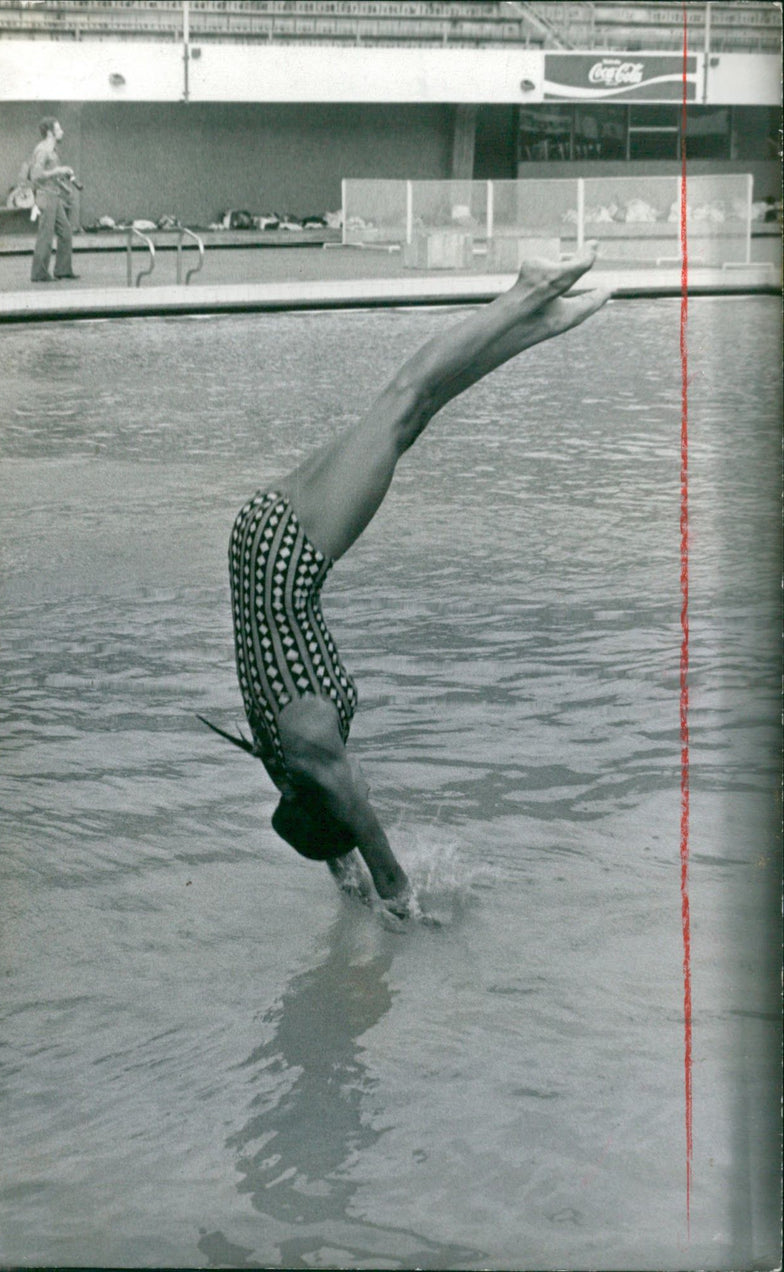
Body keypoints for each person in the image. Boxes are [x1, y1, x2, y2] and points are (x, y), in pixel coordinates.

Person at [201, 248, 610, 921]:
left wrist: (398, 900)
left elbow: (372, 847)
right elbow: (342, 845)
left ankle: (526, 291)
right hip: (257, 544)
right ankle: (537, 325)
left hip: (286, 555)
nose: (360, 789)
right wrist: (348, 885)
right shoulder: (291, 770)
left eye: (345, 799)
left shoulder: (314, 756)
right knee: (411, 421)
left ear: (322, 797)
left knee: (401, 400)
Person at [29, 117, 80, 283]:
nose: (62, 132)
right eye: (59, 129)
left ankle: (63, 270)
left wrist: (65, 187)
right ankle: (39, 274)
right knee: (46, 235)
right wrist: (58, 170)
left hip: (54, 196)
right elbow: (36, 176)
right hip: (46, 196)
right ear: (51, 133)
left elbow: (51, 175)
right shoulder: (42, 150)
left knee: (65, 232)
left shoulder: (53, 150)